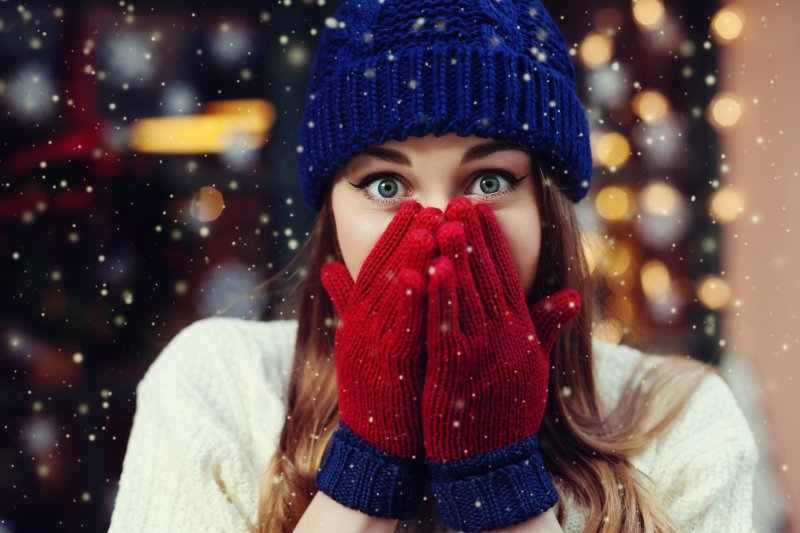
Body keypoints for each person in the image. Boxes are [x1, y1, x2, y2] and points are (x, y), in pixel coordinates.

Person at [108, 0, 758, 532]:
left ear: (549, 210)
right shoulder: (219, 385)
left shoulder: (681, 421)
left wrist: (498, 480)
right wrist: (367, 462)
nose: (442, 225)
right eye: (387, 185)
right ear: (331, 212)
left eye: (490, 180)